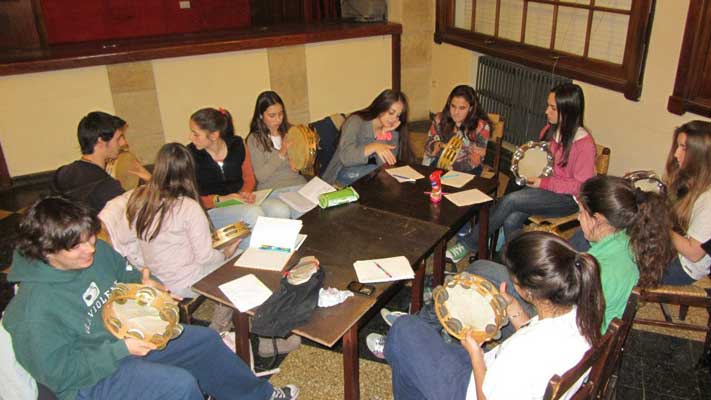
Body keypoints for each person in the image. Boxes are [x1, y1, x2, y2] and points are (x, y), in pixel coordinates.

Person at [2, 196, 299, 400]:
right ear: (46, 250)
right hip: (89, 378)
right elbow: (60, 376)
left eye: (90, 239)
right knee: (177, 386)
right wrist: (121, 350)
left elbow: (125, 272)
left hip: (128, 339)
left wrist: (147, 283)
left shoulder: (95, 252)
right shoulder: (32, 311)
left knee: (205, 342)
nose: (90, 250)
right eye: (77, 247)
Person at [384, 231, 604, 399]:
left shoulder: (527, 349)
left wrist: (475, 353)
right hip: (509, 379)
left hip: (475, 388)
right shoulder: (580, 316)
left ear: (527, 290)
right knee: (413, 352)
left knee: (404, 330)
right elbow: (536, 336)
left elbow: (484, 396)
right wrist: (515, 309)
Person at [447, 82, 596, 263]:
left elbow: (581, 186)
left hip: (567, 199)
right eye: (547, 105)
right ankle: (511, 259)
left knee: (511, 200)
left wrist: (544, 183)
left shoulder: (584, 144)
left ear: (568, 110)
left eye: (552, 108)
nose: (546, 111)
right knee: (511, 218)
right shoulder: (549, 131)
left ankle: (469, 243)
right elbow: (542, 161)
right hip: (545, 190)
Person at [188, 107, 288, 230]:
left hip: (239, 201)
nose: (191, 138)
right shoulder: (189, 155)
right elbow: (188, 197)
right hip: (212, 210)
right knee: (254, 214)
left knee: (281, 210)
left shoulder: (237, 144)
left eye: (196, 134)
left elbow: (249, 178)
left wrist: (245, 193)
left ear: (214, 135)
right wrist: (219, 199)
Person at [321, 89, 409, 186]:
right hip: (340, 181)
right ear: (381, 106)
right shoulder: (355, 122)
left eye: (398, 116)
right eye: (391, 113)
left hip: (369, 180)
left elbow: (387, 162)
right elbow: (346, 158)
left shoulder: (391, 128)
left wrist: (384, 134)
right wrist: (374, 146)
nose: (394, 119)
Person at [660, 120, 711, 285]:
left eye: (683, 148)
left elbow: (694, 253)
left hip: (684, 269)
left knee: (621, 259)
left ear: (699, 154)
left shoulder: (709, 199)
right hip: (675, 253)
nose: (676, 153)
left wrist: (659, 224)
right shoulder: (695, 182)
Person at [51, 111, 133, 213]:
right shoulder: (107, 186)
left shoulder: (62, 174)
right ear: (100, 141)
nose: (124, 143)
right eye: (119, 138)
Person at [246, 91, 306, 218]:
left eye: (281, 114)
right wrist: (282, 153)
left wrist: (299, 163)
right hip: (272, 190)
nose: (278, 119)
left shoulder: (291, 131)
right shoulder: (254, 139)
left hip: (297, 184)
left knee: (319, 205)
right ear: (261, 115)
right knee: (281, 211)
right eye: (272, 115)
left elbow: (301, 163)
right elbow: (261, 176)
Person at [422, 85, 492, 175]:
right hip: (440, 164)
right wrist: (435, 145)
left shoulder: (481, 127)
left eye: (462, 108)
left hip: (467, 169)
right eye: (453, 106)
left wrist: (452, 169)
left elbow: (475, 161)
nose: (456, 112)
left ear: (471, 108)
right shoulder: (439, 119)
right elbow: (428, 145)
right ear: (449, 104)